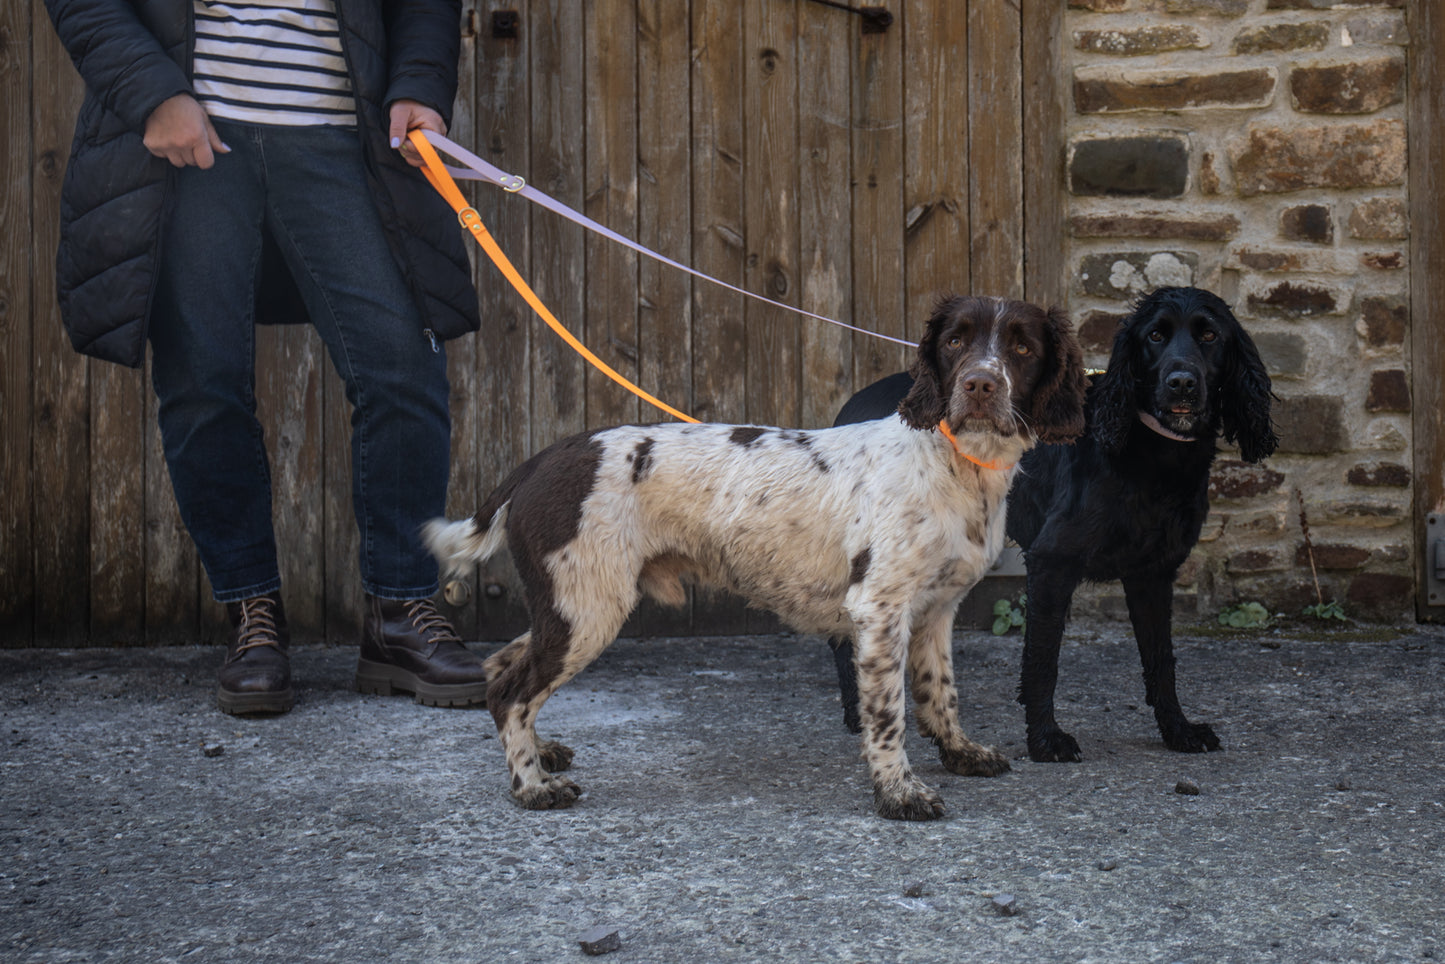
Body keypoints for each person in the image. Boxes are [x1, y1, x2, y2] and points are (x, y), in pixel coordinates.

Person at [45, 0, 489, 715]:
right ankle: (252, 617)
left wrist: (417, 85)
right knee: (203, 383)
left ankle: (400, 616)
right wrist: (155, 94)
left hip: (345, 138)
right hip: (191, 141)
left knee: (403, 368)